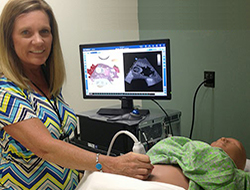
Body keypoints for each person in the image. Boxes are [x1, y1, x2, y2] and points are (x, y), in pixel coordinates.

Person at [0, 0, 153, 189]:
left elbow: (62, 139)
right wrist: (113, 164)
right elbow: (46, 148)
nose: (38, 41)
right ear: (9, 39)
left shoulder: (47, 82)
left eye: (44, 32)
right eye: (26, 32)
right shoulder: (5, 91)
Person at [146, 136, 249, 190]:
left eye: (234, 144)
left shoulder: (228, 171)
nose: (223, 138)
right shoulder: (189, 147)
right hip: (135, 180)